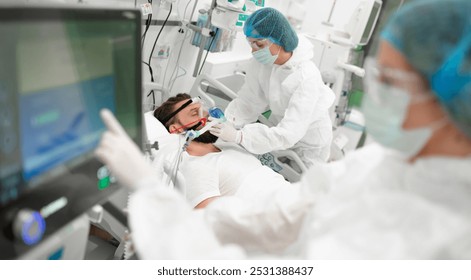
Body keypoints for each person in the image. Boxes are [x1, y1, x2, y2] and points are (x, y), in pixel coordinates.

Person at [95, 0, 471, 259]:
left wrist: (155, 196)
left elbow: (287, 144)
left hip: (298, 149)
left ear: (451, 98)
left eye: (387, 80)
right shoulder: (377, 164)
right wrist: (232, 124)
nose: (375, 93)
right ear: (174, 128)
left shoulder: (437, 235)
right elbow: (288, 211)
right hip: (260, 194)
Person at [209, 7, 335, 168]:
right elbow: (249, 102)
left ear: (280, 42)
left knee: (300, 186)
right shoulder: (261, 63)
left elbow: (290, 133)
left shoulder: (306, 76)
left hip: (309, 145)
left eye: (259, 44)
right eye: (251, 44)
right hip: (280, 135)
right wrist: (228, 122)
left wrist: (240, 137)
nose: (253, 51)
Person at [151, 93, 290, 209]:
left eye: (203, 110)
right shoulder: (197, 166)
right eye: (195, 113)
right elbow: (214, 222)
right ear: (176, 129)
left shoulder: (227, 144)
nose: (207, 116)